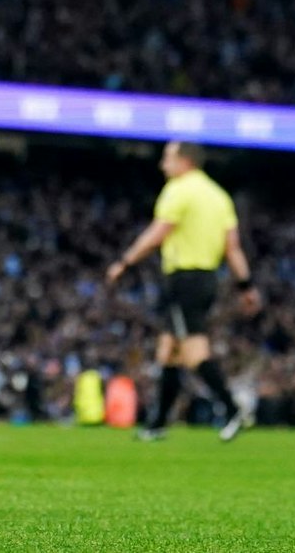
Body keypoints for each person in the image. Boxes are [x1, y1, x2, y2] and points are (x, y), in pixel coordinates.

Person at [107, 141, 261, 441]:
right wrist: (246, 285)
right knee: (168, 352)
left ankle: (232, 409)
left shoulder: (179, 190)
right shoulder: (219, 197)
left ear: (184, 161)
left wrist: (124, 262)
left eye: (167, 158)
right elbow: (233, 248)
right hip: (207, 279)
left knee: (193, 352)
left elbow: (157, 234)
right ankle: (157, 424)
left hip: (184, 279)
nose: (162, 165)